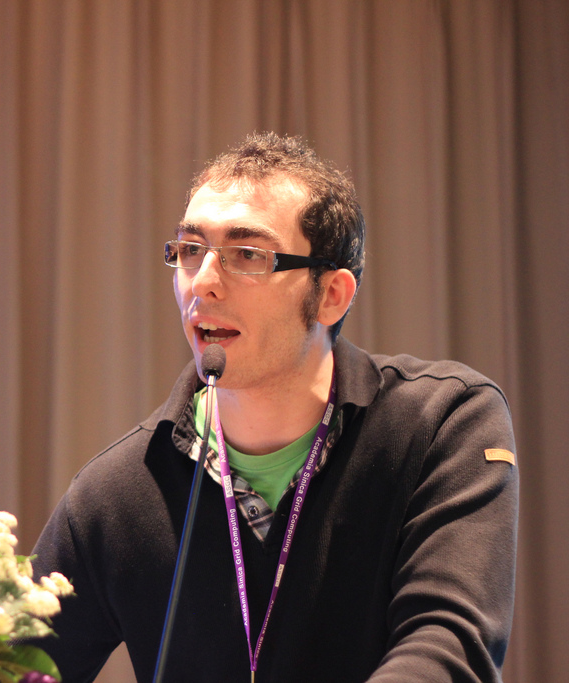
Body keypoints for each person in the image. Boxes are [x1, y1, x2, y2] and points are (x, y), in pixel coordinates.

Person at [30, 132, 518, 682]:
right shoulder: (117, 493)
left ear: (331, 295)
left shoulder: (441, 425)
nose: (203, 284)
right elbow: (5, 666)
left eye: (247, 256)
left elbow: (449, 646)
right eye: (190, 250)